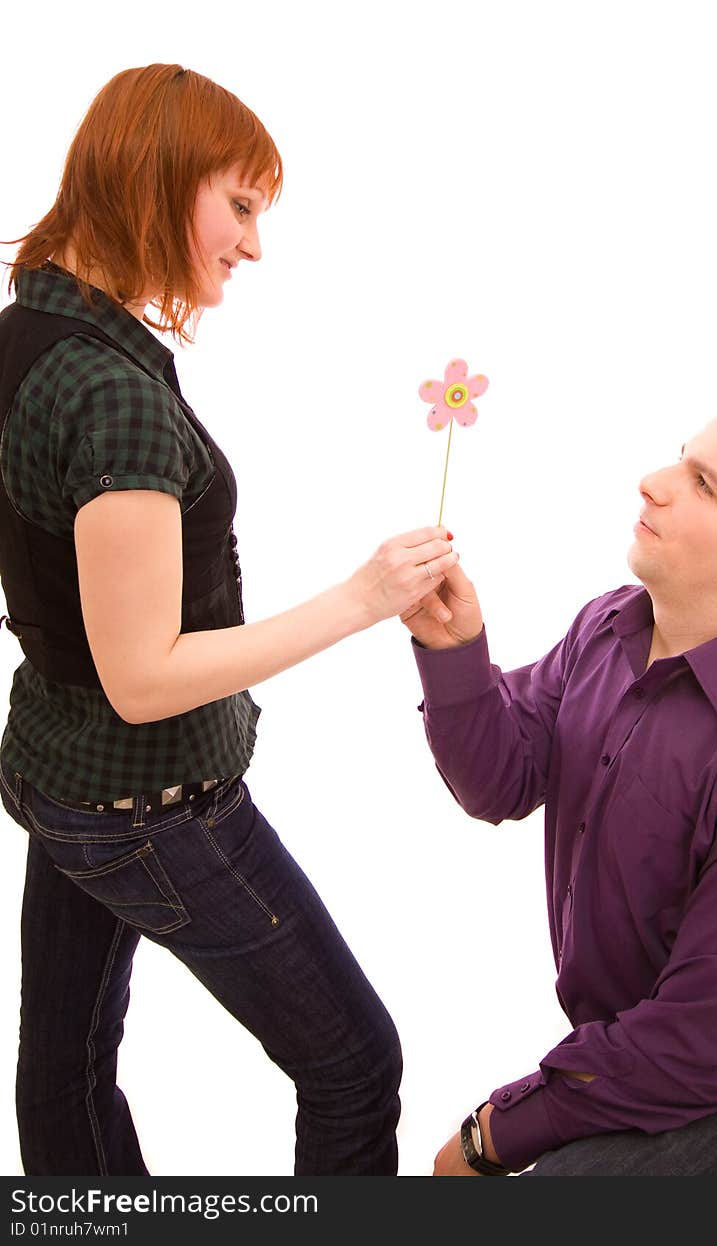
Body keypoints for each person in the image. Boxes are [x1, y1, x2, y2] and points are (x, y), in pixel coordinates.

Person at [0, 63, 459, 1176]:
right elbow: (145, 678)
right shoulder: (110, 394)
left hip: (54, 770)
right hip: (148, 800)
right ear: (157, 182)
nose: (253, 246)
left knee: (64, 1061)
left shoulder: (25, 331)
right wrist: (362, 598)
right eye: (241, 205)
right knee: (355, 1062)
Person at [401, 374, 717, 1176]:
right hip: (648, 1055)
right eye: (680, 461)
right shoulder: (611, 625)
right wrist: (455, 652)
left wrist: (494, 1132)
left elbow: (696, 1045)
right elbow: (502, 780)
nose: (652, 484)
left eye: (701, 485)